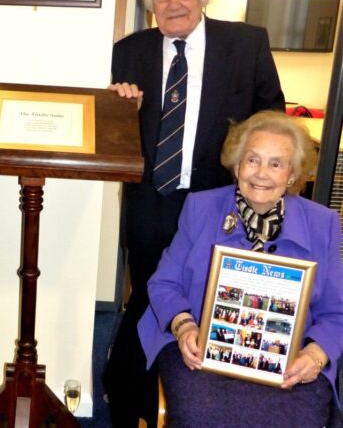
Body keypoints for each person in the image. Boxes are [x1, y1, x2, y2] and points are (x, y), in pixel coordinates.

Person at [104, 0, 286, 426]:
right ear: (150, 5)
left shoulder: (246, 44)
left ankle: (203, 400)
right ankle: (134, 399)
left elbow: (273, 120)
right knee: (147, 297)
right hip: (151, 203)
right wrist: (121, 108)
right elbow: (112, 133)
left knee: (208, 301)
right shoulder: (130, 52)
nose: (173, 2)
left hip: (217, 205)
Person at [138, 110, 343, 426]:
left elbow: (337, 312)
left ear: (291, 175)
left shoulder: (322, 224)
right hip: (203, 353)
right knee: (200, 415)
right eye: (253, 160)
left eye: (276, 164)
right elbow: (164, 283)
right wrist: (184, 328)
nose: (262, 173)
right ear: (236, 166)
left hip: (290, 360)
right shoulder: (201, 207)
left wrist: (315, 356)